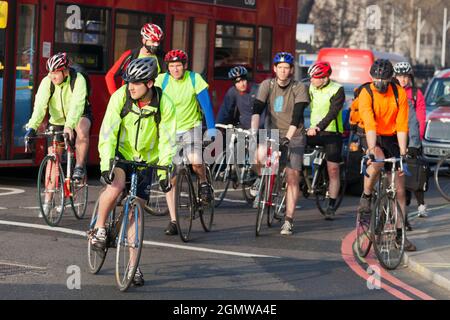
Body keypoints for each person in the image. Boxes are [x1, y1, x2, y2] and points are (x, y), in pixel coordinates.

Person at [91, 57, 176, 286]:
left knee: (135, 208)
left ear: (149, 83)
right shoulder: (121, 97)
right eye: (128, 82)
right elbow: (108, 131)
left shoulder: (164, 103)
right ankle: (99, 228)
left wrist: (164, 171)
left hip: (147, 160)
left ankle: (133, 266)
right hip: (121, 155)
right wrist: (106, 165)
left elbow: (168, 139)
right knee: (116, 185)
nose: (130, 87)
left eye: (136, 83)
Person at [155, 49, 216, 236]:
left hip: (191, 127)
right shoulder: (161, 81)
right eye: (172, 66)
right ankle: (173, 221)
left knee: (196, 159)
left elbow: (206, 106)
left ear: (185, 66)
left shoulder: (194, 79)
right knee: (170, 177)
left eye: (178, 66)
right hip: (168, 131)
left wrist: (212, 129)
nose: (175, 69)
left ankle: (204, 183)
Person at [357, 59, 416, 252]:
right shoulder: (366, 92)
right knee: (378, 161)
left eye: (383, 79)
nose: (379, 83)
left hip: (391, 135)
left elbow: (401, 126)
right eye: (376, 79)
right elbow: (369, 123)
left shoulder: (399, 93)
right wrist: (372, 150)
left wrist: (402, 153)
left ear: (390, 79)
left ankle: (400, 235)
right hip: (370, 133)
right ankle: (366, 196)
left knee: (399, 189)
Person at [25, 52, 92, 216]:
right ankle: (48, 200)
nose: (51, 76)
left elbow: (77, 104)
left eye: (55, 73)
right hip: (57, 120)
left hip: (80, 115)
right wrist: (32, 128)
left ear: (65, 70)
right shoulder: (47, 82)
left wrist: (70, 126)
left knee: (82, 129)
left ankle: (79, 167)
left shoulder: (78, 80)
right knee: (52, 159)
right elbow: (40, 106)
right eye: (49, 72)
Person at [251, 52, 310, 236]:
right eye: (280, 68)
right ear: (275, 69)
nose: (283, 71)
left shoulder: (299, 87)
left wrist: (288, 138)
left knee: (293, 177)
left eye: (287, 68)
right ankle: (261, 178)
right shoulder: (266, 85)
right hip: (272, 132)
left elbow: (297, 115)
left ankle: (288, 220)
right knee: (258, 156)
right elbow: (257, 110)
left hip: (295, 135)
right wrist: (254, 132)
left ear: (291, 70)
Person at [306, 61, 345, 220]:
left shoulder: (337, 90)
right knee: (296, 148)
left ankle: (331, 206)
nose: (311, 81)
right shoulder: (311, 88)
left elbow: (332, 113)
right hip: (314, 130)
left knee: (333, 170)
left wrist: (319, 127)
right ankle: (304, 179)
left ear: (325, 77)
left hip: (332, 133)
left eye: (314, 78)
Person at [393, 61, 427, 219]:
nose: (403, 80)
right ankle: (402, 208)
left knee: (414, 171)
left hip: (412, 138)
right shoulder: (392, 91)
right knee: (400, 173)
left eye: (406, 77)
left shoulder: (415, 93)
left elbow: (420, 117)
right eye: (400, 76)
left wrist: (417, 140)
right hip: (396, 136)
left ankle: (421, 204)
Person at [105, 23, 164, 95]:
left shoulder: (162, 57)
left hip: (154, 100)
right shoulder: (130, 55)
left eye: (158, 42)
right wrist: (115, 96)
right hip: (131, 100)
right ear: (144, 40)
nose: (156, 45)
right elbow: (110, 75)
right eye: (153, 41)